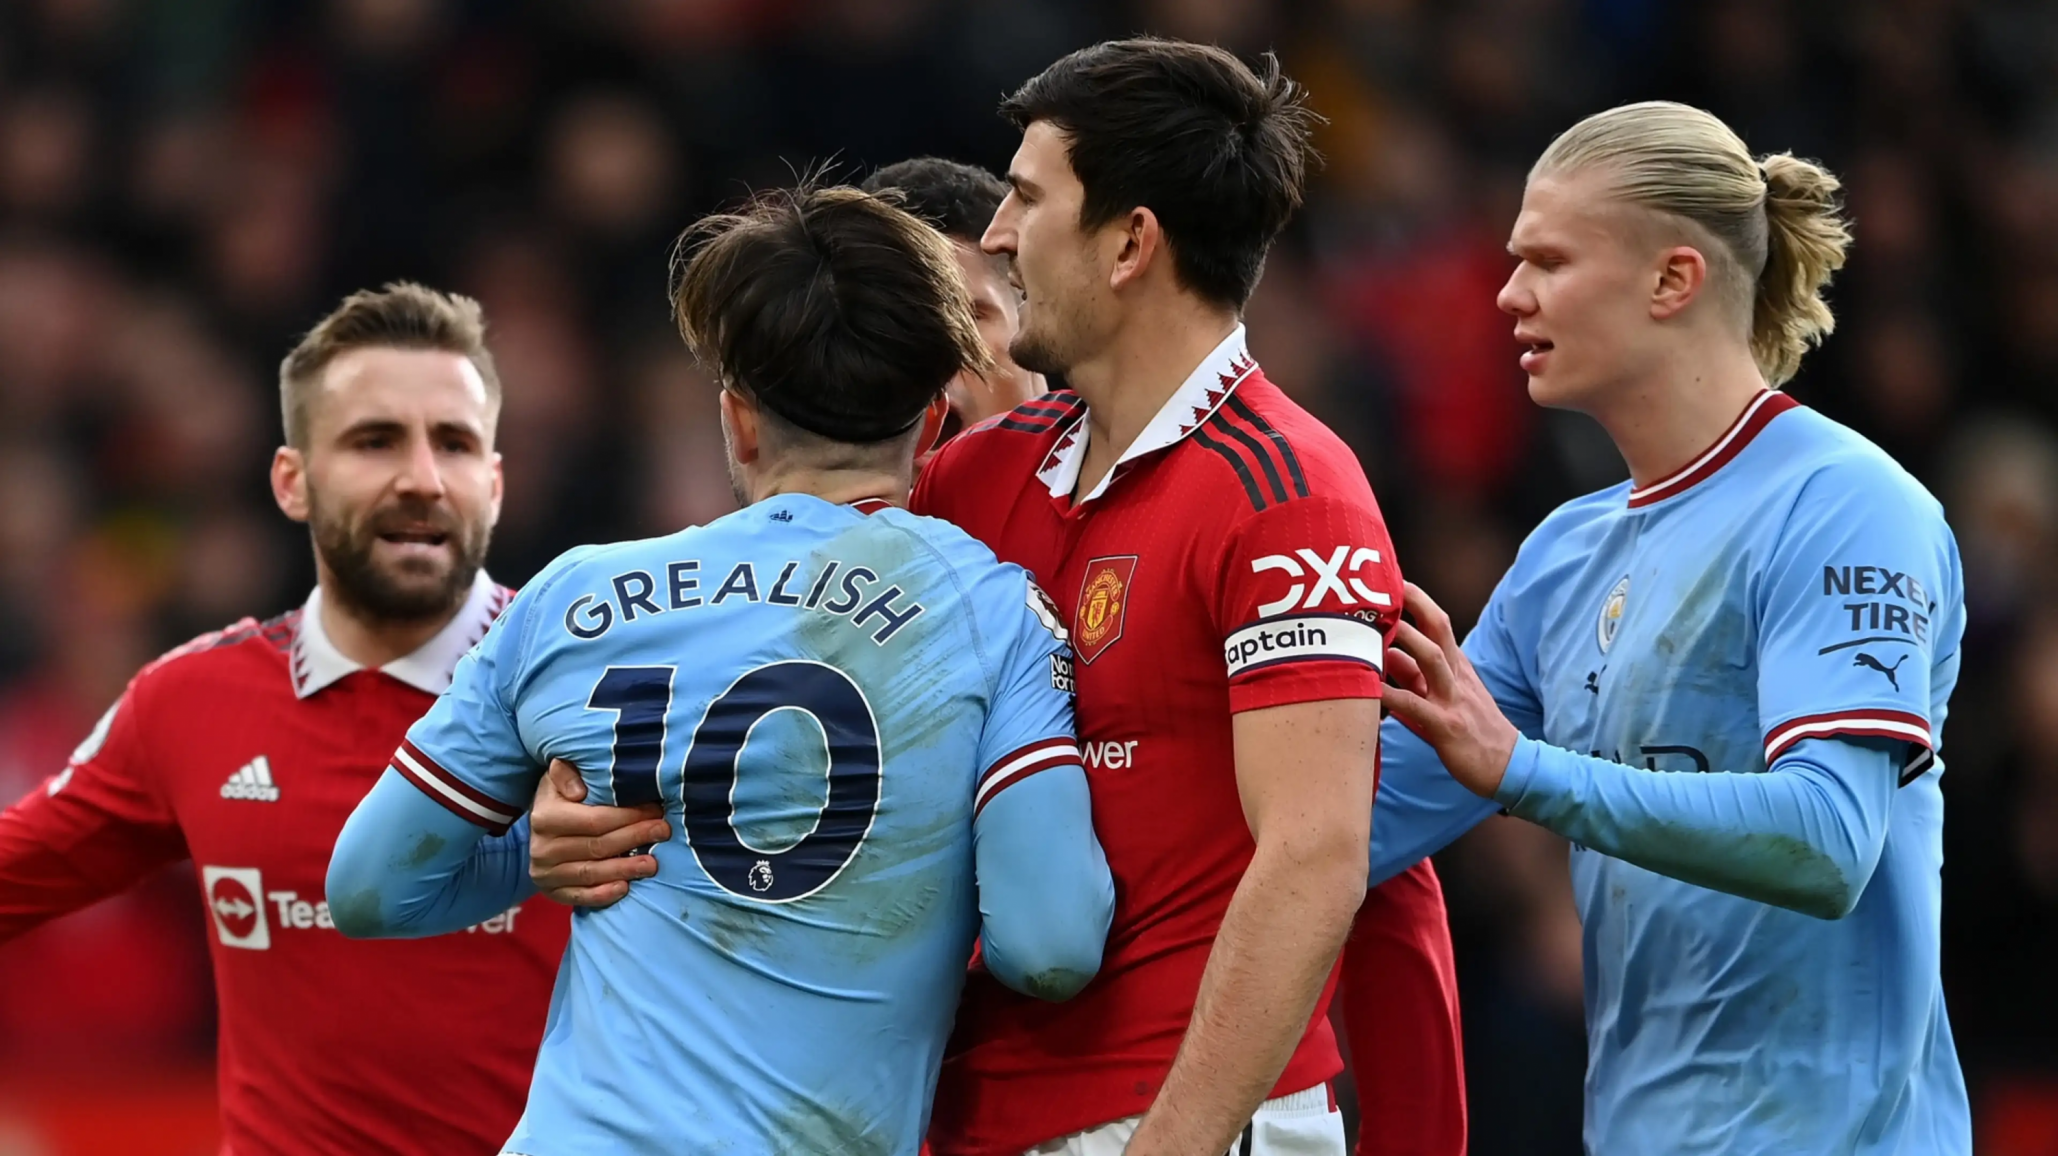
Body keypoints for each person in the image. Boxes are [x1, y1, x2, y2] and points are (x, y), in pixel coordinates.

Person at [524, 60, 1470, 1156]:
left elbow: (1317, 858)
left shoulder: (1290, 493)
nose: (1004, 233)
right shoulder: (974, 482)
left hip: (1173, 1117)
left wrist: (1177, 1142)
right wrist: (579, 812)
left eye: (1028, 198)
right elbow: (776, 691)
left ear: (1130, 244)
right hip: (962, 1116)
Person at [325, 185, 1116, 1154]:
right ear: (932, 420)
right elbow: (1051, 948)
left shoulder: (571, 597)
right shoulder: (992, 613)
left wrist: (533, 857)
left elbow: (368, 886)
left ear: (738, 421)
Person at [1368, 101, 1970, 1154]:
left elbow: (1829, 840)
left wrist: (1524, 771)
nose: (1508, 294)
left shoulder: (1844, 505)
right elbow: (1353, 823)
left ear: (1671, 280)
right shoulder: (1564, 556)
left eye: (1548, 261)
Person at [0, 283, 570, 1155]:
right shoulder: (187, 703)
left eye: (453, 444)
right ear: (292, 482)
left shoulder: (596, 693)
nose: (421, 478)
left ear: (493, 483)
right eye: (374, 441)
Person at [861, 156, 1045, 436]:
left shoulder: (1122, 470)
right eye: (885, 325)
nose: (927, 353)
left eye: (960, 321)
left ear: (1032, 322)